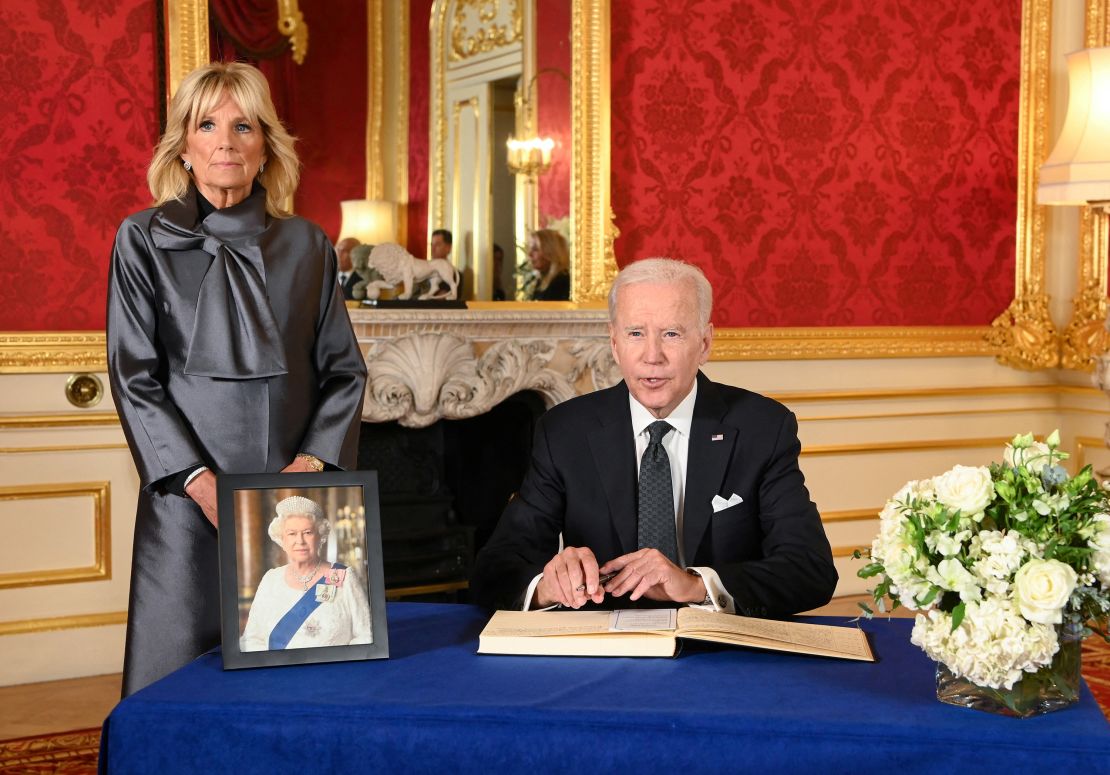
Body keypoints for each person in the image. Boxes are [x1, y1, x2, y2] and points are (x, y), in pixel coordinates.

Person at [106, 62, 367, 696]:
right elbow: (134, 374)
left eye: (243, 125)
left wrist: (308, 467)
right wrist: (199, 484)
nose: (226, 140)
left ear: (265, 147)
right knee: (171, 681)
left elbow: (343, 373)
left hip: (288, 502)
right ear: (184, 146)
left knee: (295, 669)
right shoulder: (141, 239)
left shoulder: (308, 246)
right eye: (208, 125)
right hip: (184, 499)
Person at [472, 258, 837, 616]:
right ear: (615, 344)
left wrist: (696, 585)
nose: (652, 356)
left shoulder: (762, 427)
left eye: (671, 334)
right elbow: (495, 568)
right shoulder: (564, 432)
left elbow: (809, 569)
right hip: (603, 647)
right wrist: (546, 586)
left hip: (717, 648)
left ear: (705, 344)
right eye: (635, 334)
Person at [241, 496, 372, 651]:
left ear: (320, 537)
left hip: (332, 671)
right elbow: (251, 639)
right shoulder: (270, 580)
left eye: (308, 532)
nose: (300, 541)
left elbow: (366, 635)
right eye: (292, 534)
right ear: (282, 539)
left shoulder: (344, 577)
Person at [526, 229, 570, 301]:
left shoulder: (562, 282)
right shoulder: (542, 281)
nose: (530, 254)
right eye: (530, 248)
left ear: (550, 252)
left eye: (535, 249)